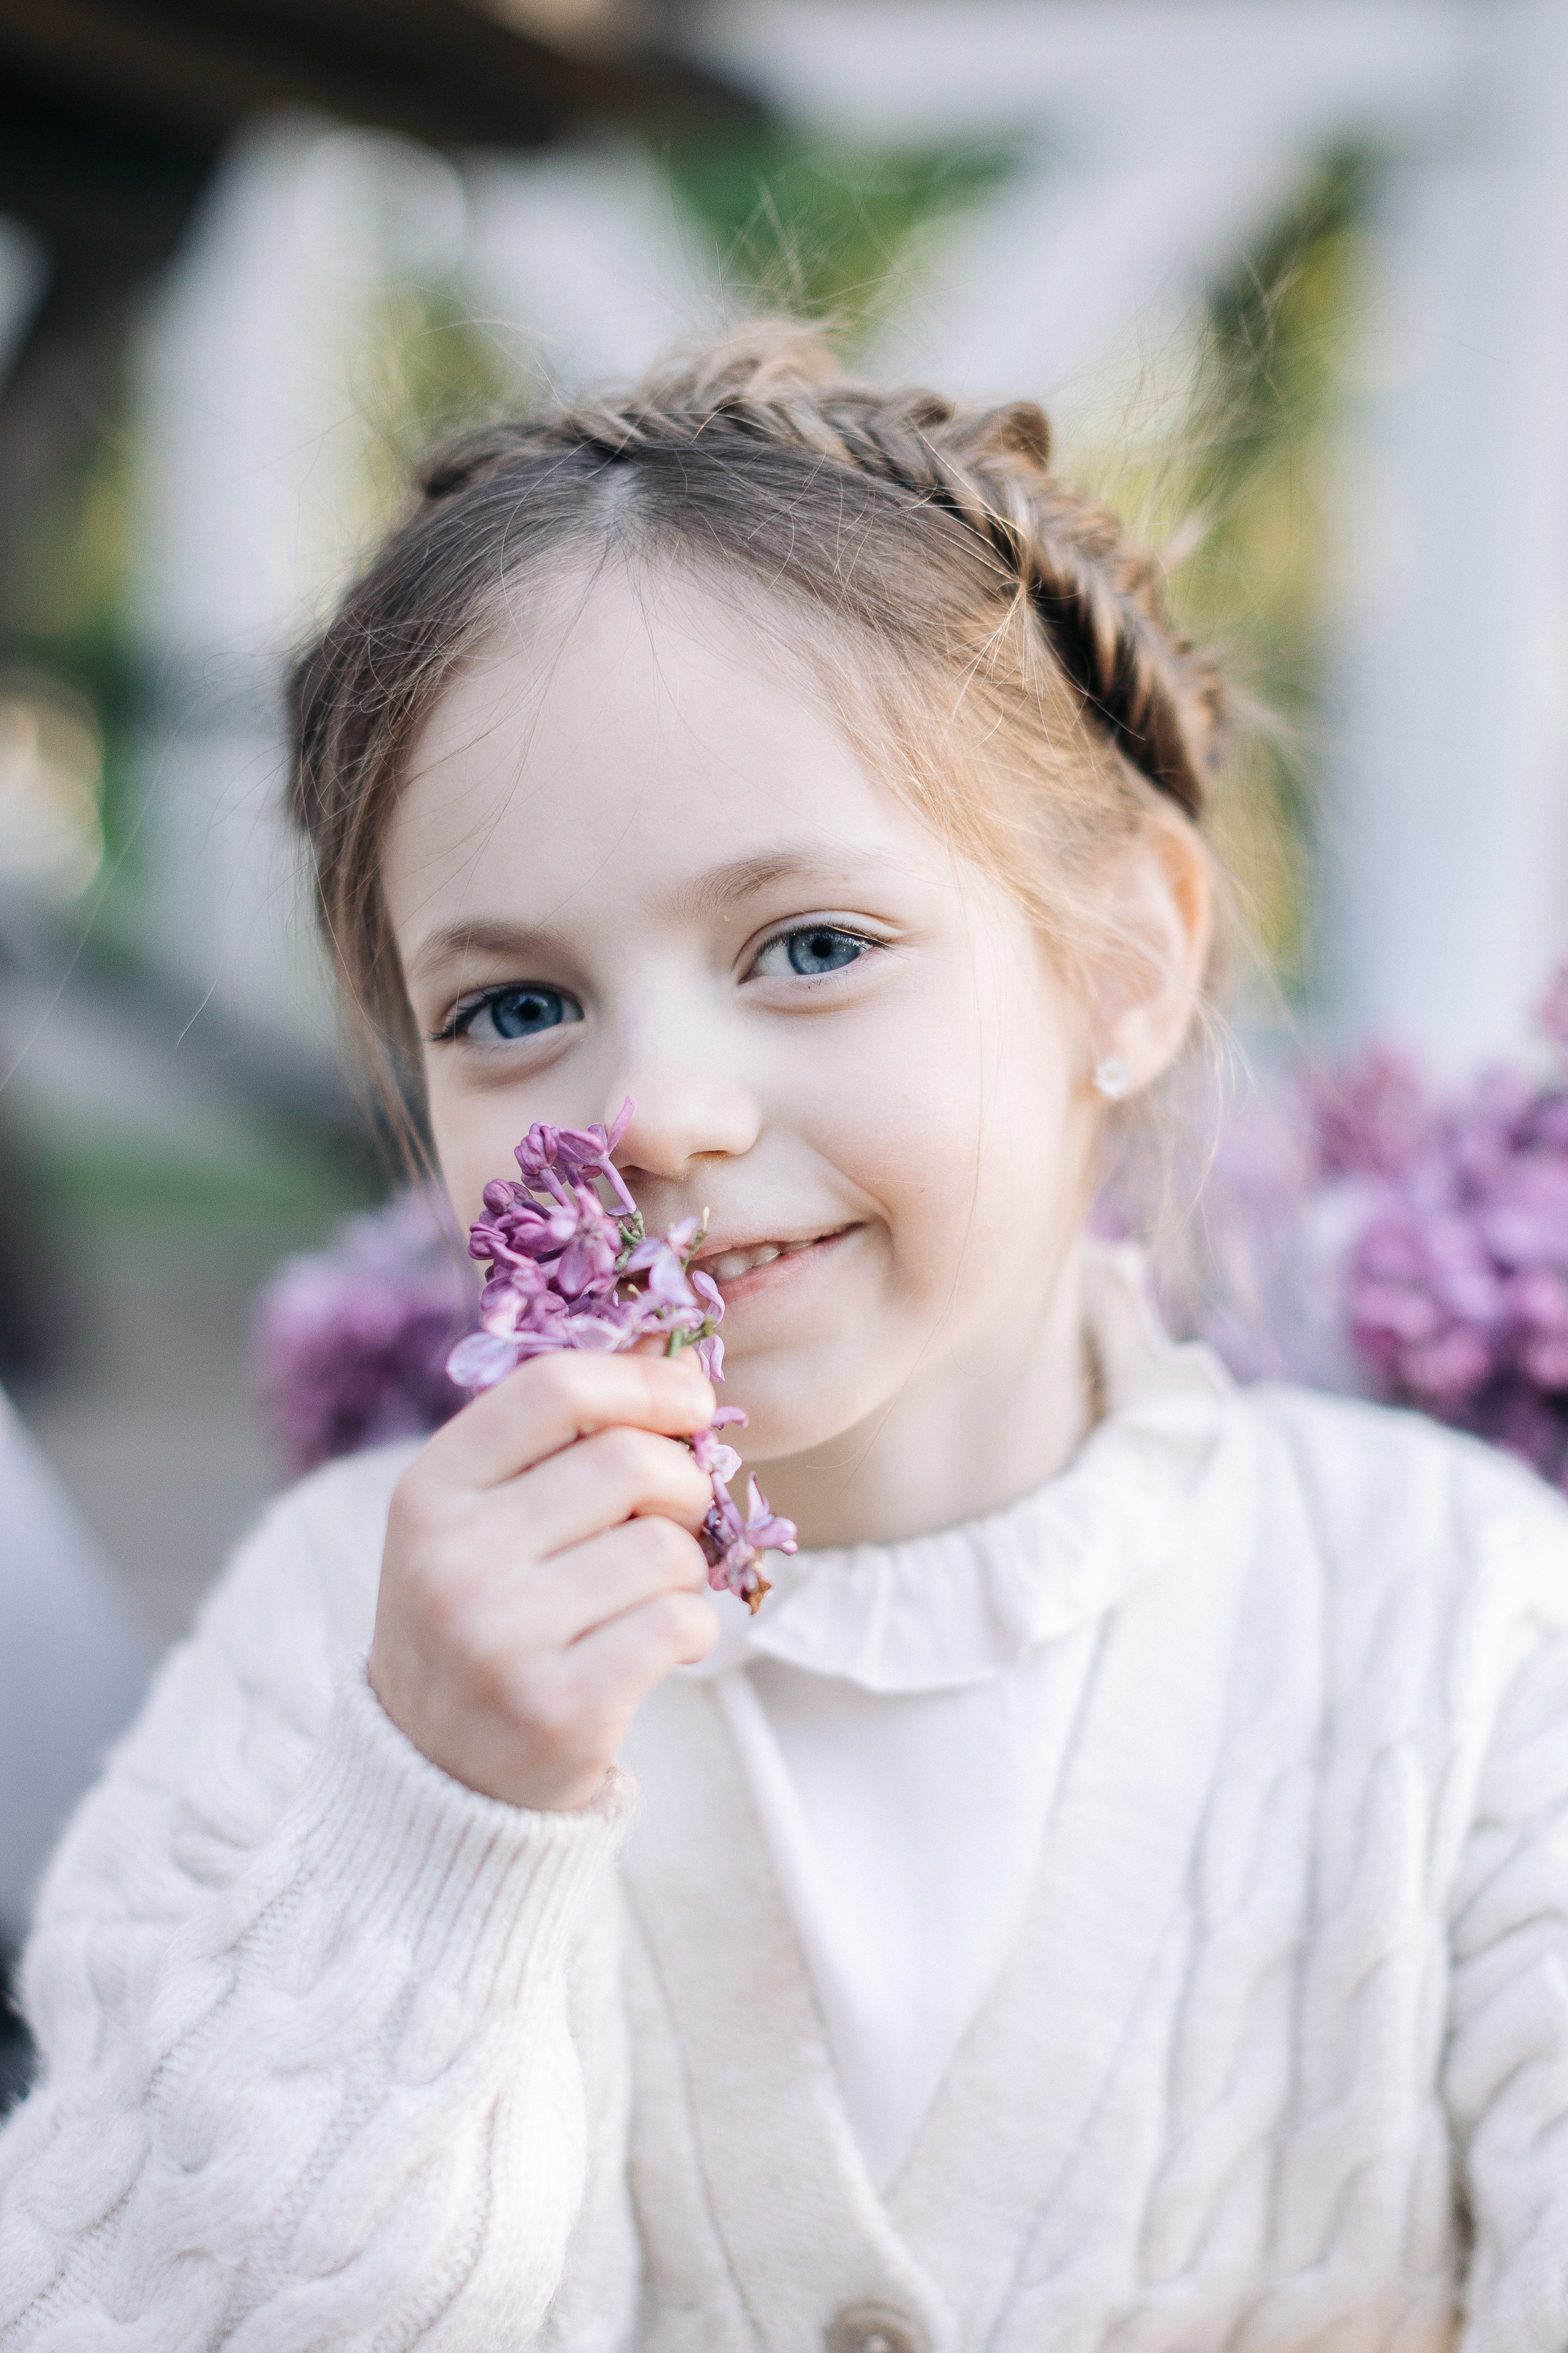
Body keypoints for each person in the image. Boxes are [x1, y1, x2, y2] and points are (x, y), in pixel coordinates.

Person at [2, 323, 1566, 2353]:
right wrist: (434, 1819)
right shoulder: (337, 1645)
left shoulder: (1464, 1636)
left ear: (1125, 960)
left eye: (810, 947)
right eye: (510, 1007)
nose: (658, 1108)